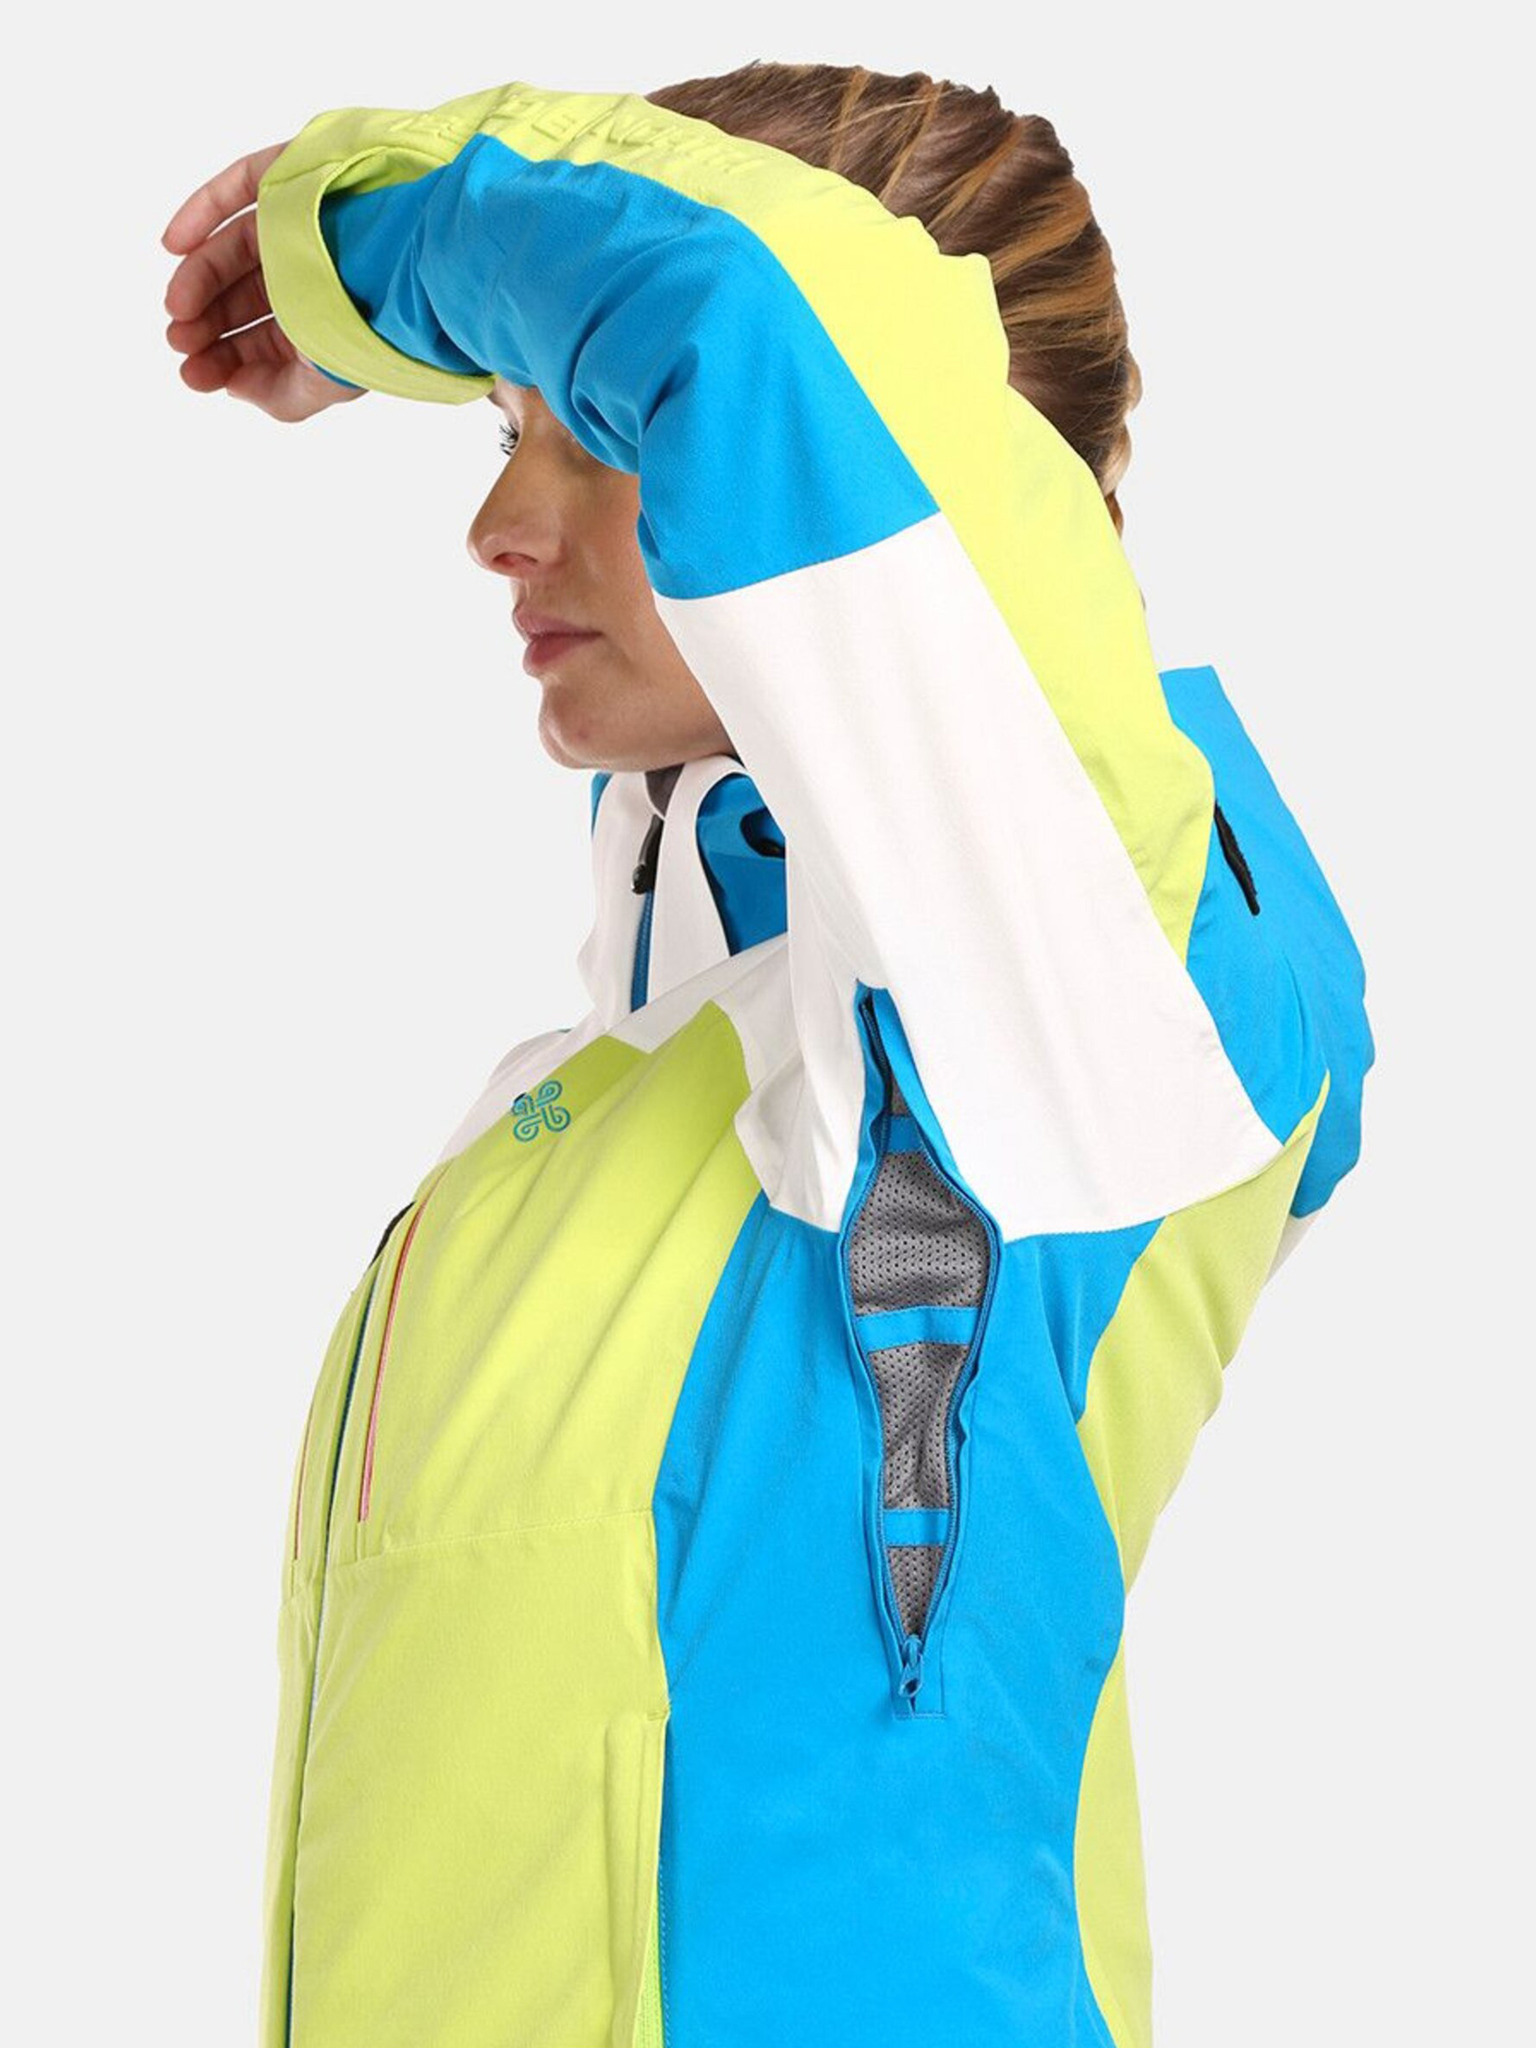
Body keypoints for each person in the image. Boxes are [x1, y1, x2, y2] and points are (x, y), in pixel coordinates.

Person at [160, 63, 1375, 2048]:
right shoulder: (671, 1075)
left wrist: (343, 246)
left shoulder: (1070, 993)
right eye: (506, 429)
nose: (496, 523)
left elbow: (747, 300)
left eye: (611, 428)